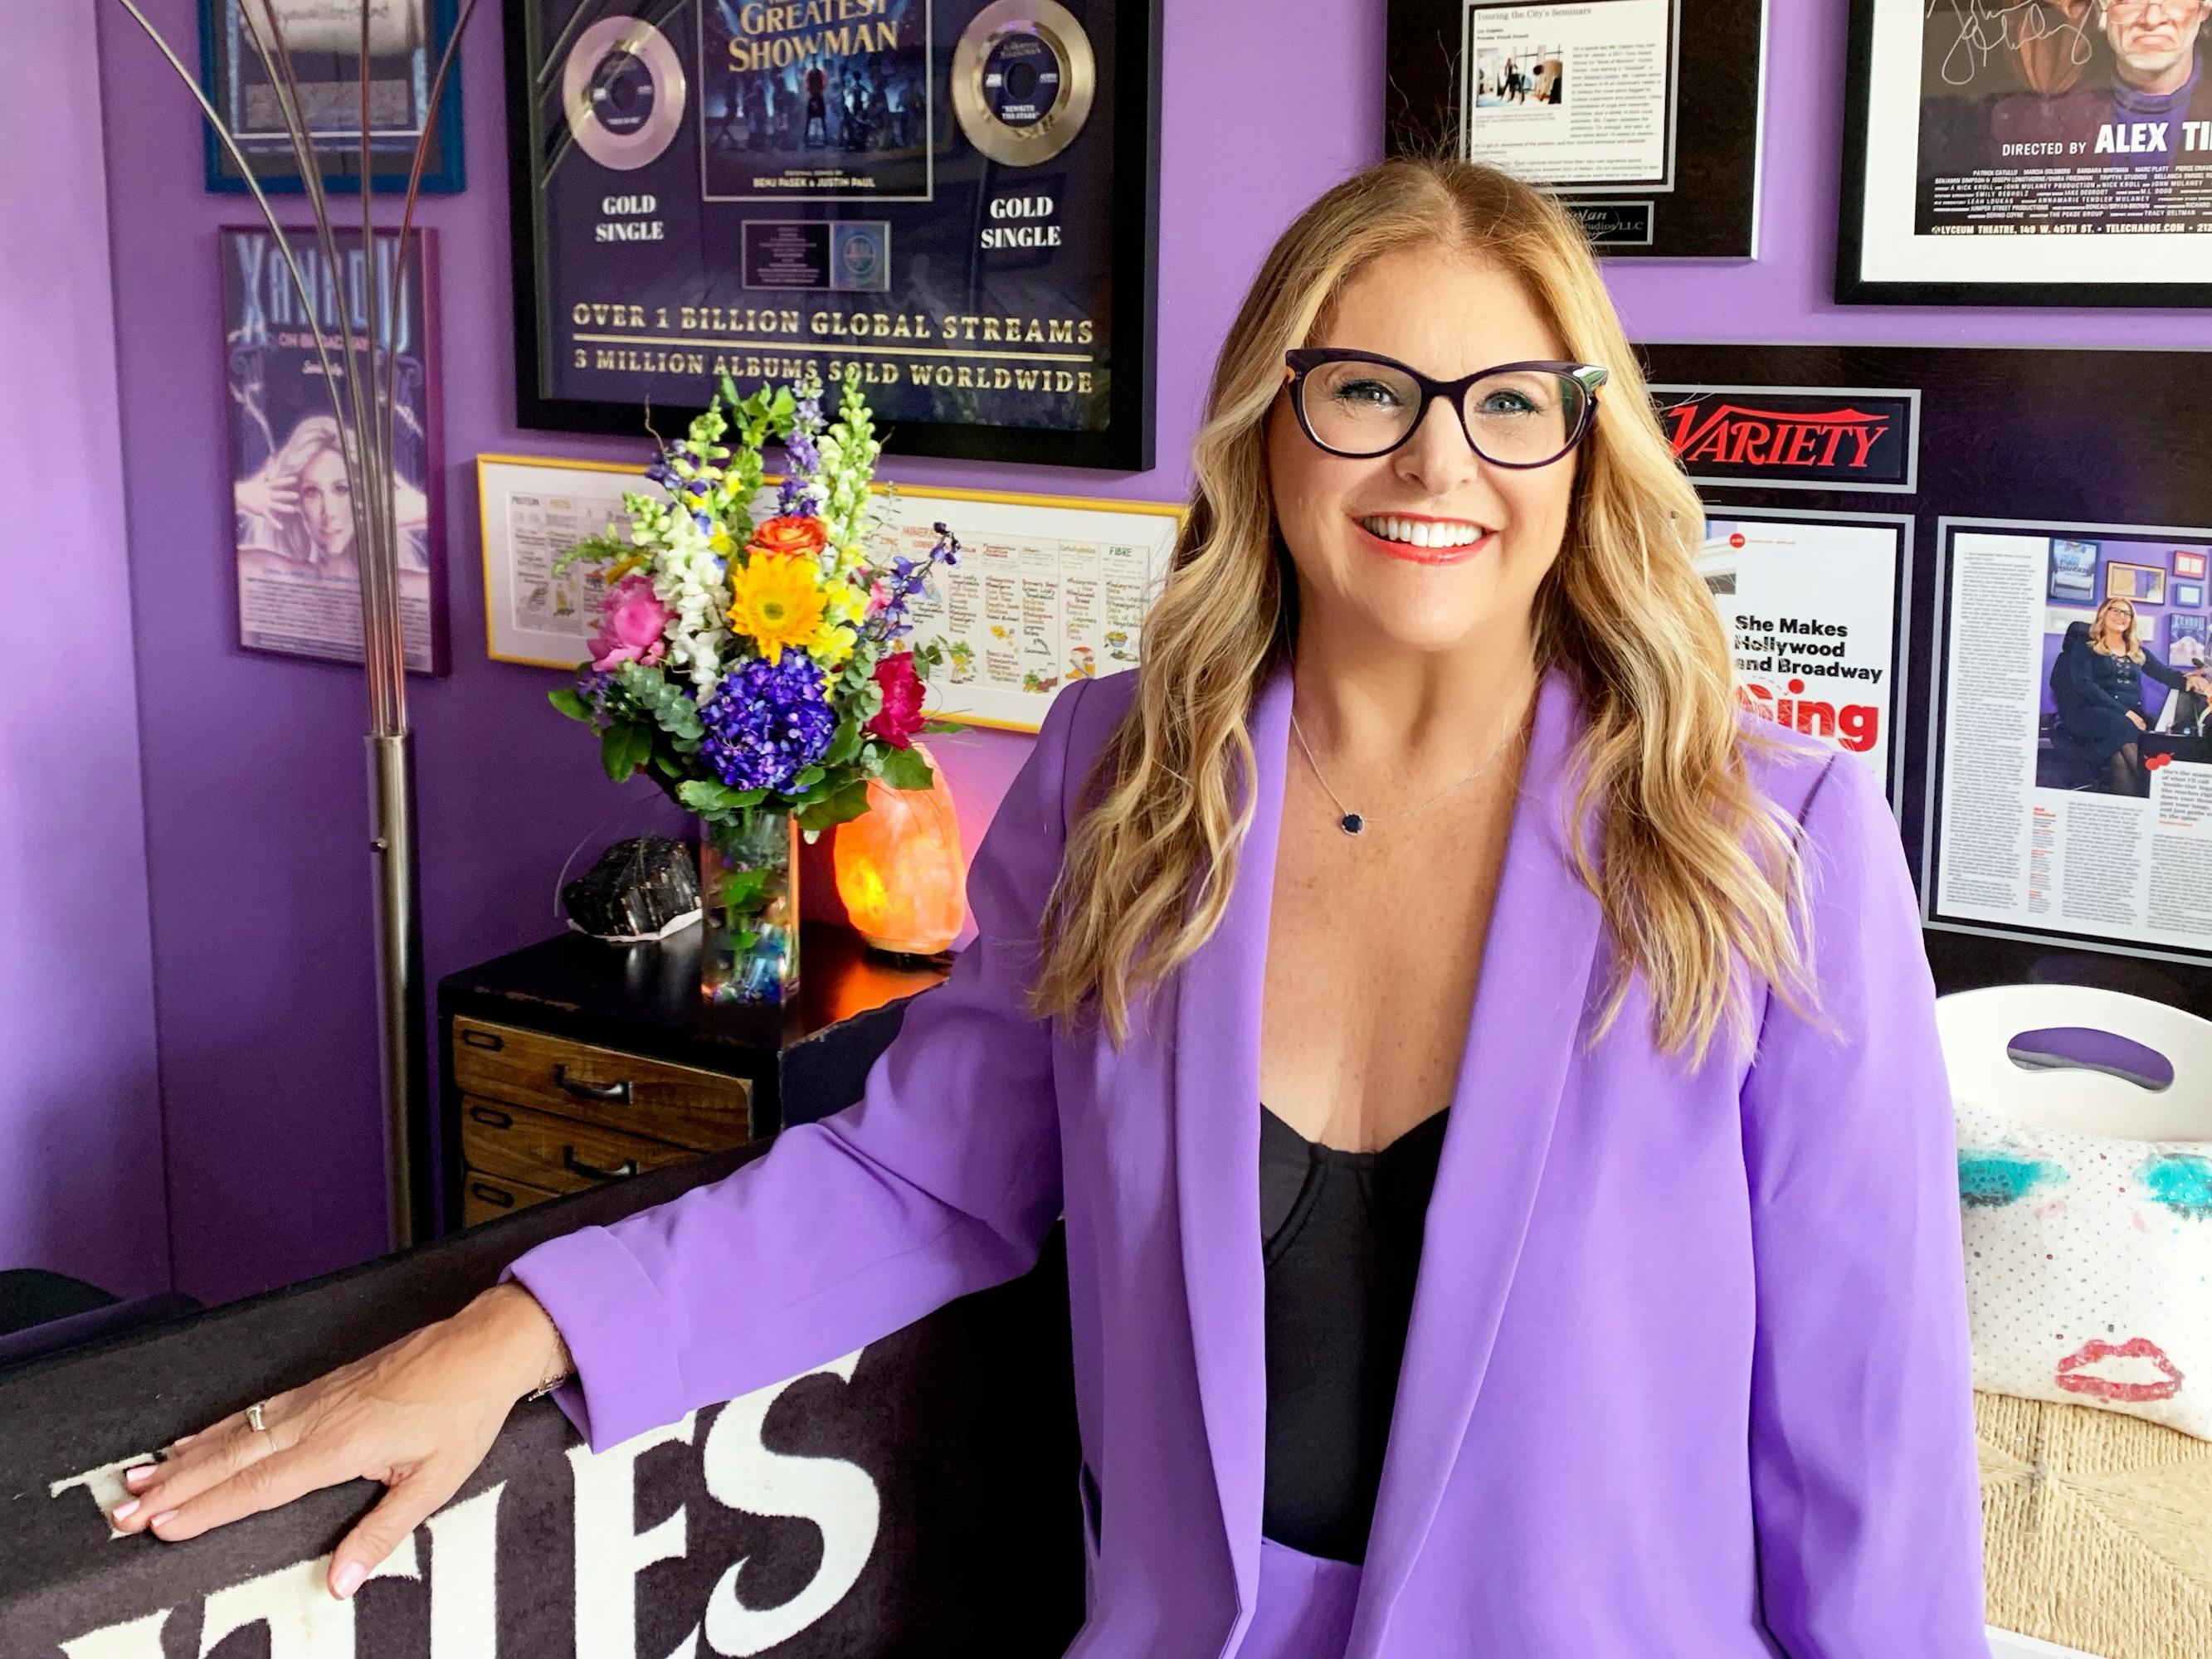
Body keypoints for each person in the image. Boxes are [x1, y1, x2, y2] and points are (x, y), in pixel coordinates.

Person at [110, 160, 1991, 1658]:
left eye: (1508, 403)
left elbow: (1864, 1455)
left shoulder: (1768, 840)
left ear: (1585, 445)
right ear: (1268, 425)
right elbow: (920, 1176)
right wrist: (506, 1328)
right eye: (1366, 391)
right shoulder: (1121, 774)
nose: (1437, 461)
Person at [1930, 0, 2212, 175]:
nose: (2152, 19)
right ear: (2102, 5)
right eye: (2130, 0)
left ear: (2204, 6)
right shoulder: (2023, 125)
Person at [232, 413, 429, 581]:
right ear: (296, 501)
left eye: (342, 489)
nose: (329, 512)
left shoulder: (400, 585)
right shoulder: (279, 573)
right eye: (311, 492)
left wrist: (421, 509)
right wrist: (241, 496)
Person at [2051, 594, 2212, 793]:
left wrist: (2189, 680)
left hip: (2126, 716)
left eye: (2127, 613)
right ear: (2103, 613)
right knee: (2125, 728)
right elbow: (2086, 686)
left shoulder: (2136, 650)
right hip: (2092, 713)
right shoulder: (2086, 647)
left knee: (2122, 758)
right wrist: (2127, 713)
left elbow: (2164, 674)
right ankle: (2156, 790)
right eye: (2116, 610)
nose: (2122, 616)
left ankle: (2128, 809)